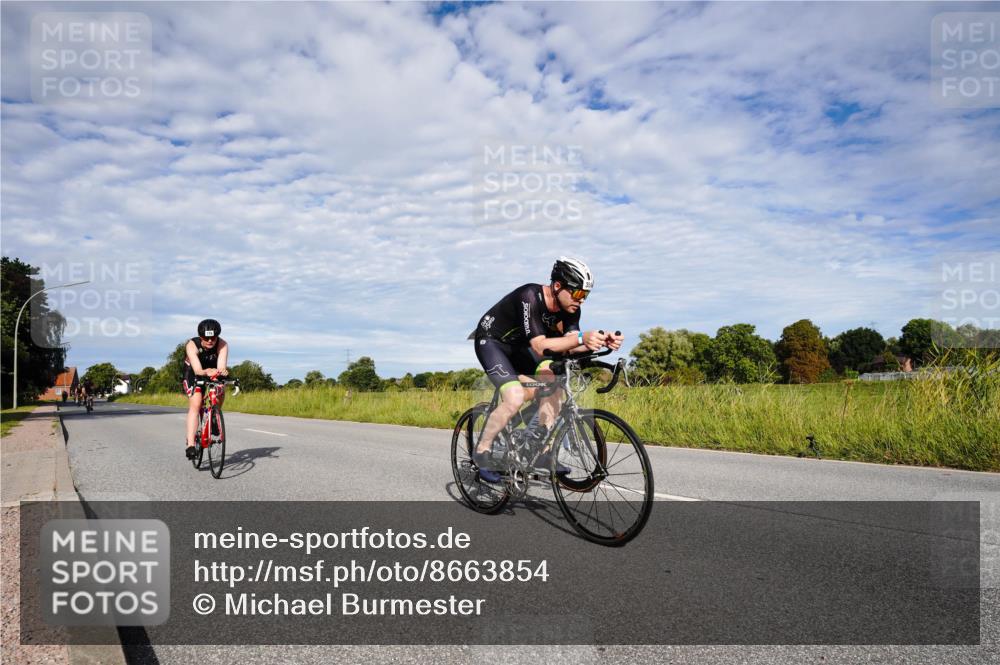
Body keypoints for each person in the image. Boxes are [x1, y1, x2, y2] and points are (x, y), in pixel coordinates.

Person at [472, 257, 623, 482]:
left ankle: (542, 452)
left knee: (554, 383)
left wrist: (599, 341)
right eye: (578, 293)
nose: (581, 300)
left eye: (586, 295)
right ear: (558, 286)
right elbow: (541, 346)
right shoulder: (530, 297)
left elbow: (570, 342)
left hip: (521, 347)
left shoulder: (571, 309)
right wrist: (583, 337)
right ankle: (482, 451)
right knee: (513, 397)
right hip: (493, 342)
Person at [183, 319, 229, 459]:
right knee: (196, 404)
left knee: (220, 387)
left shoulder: (222, 344)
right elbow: (197, 370)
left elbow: (221, 366)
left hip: (211, 371)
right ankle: (191, 445)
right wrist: (207, 371)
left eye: (213, 338)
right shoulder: (192, 345)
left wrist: (222, 372)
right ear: (200, 336)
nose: (210, 341)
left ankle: (215, 416)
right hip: (193, 372)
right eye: (206, 338)